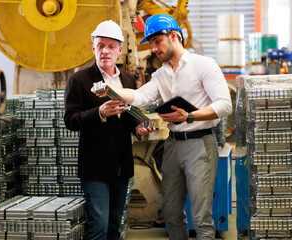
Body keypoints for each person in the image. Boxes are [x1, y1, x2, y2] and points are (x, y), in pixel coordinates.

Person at [93, 14, 232, 240]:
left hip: (200, 144)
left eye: (157, 41)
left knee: (200, 217)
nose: (153, 48)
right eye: (151, 43)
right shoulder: (161, 74)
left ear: (174, 36)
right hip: (173, 146)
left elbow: (225, 105)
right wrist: (110, 89)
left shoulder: (203, 65)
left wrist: (189, 116)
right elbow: (139, 96)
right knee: (171, 212)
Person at [64, 20, 152, 240]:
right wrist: (100, 113)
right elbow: (70, 120)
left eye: (111, 46)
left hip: (122, 166)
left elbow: (129, 116)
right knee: (99, 227)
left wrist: (138, 128)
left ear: (120, 50)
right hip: (95, 168)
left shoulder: (128, 79)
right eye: (100, 46)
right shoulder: (79, 80)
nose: (105, 51)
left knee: (114, 226)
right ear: (93, 48)